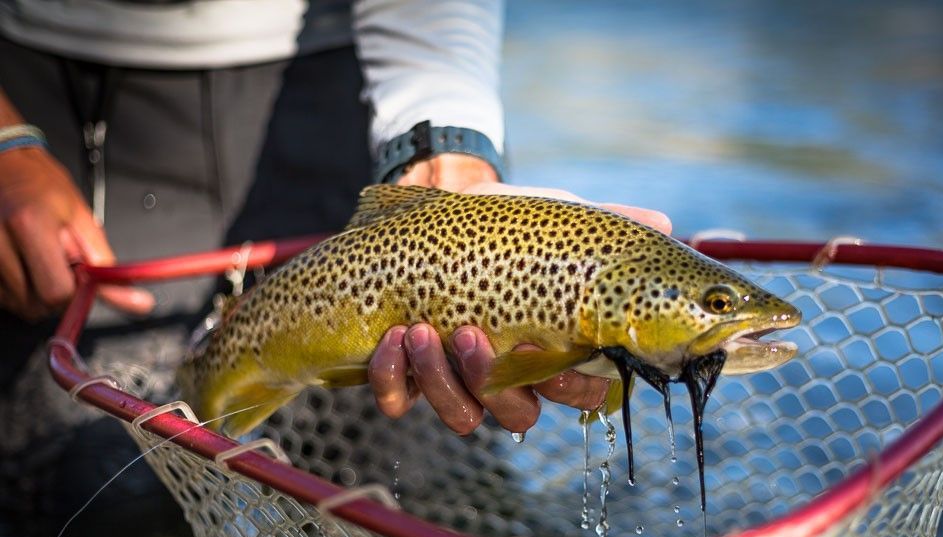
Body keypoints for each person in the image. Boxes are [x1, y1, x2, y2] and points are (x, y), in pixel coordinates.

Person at [0, 0, 670, 480]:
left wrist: (444, 150)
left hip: (337, 84)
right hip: (46, 100)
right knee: (87, 478)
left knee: (417, 486)